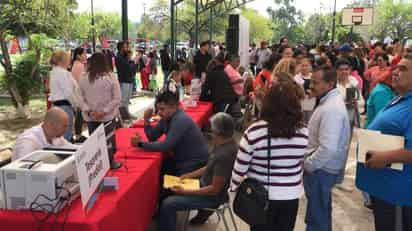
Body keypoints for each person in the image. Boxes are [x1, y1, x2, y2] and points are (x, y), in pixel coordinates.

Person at [230, 82, 308, 231]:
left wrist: (233, 189)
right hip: (291, 196)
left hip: (260, 197)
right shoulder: (304, 131)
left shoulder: (255, 131)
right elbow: (299, 162)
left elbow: (240, 167)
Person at [158, 113, 238, 231]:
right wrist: (188, 176)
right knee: (168, 187)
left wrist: (186, 191)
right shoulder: (225, 144)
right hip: (205, 185)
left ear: (218, 132)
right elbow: (209, 167)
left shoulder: (224, 155)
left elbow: (214, 189)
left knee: (168, 204)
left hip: (212, 197)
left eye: (212, 130)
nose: (211, 132)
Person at [361, 56, 412, 231]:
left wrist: (385, 157)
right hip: (384, 189)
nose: (395, 72)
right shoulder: (399, 98)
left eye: (403, 69)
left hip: (399, 193)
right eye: (396, 67)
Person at [303, 65, 350, 231]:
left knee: (317, 218)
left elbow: (328, 148)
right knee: (319, 213)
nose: (311, 86)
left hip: (321, 170)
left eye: (315, 82)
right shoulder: (328, 102)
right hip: (321, 170)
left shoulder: (332, 108)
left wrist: (309, 165)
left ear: (329, 85)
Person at [130, 91, 209, 175]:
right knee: (158, 170)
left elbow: (166, 146)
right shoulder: (166, 118)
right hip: (182, 159)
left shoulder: (180, 119)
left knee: (161, 173)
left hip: (194, 163)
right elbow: (152, 136)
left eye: (162, 109)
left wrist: (140, 144)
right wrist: (146, 120)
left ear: (173, 107)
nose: (159, 112)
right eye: (158, 109)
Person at [78, 52, 121, 136]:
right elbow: (117, 98)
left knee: (94, 145)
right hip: (107, 117)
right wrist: (104, 111)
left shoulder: (83, 78)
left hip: (91, 117)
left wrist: (89, 111)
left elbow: (79, 98)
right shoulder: (110, 77)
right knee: (108, 143)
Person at [49, 50, 79, 141]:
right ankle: (65, 154)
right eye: (68, 59)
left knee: (60, 134)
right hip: (65, 106)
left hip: (57, 106)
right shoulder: (62, 73)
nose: (69, 61)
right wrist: (75, 104)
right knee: (66, 135)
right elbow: (68, 93)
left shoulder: (54, 72)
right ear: (63, 61)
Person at [335, 58, 363, 129]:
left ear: (350, 70)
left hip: (352, 117)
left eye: (346, 69)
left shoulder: (353, 82)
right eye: (341, 69)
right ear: (336, 70)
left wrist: (356, 103)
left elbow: (361, 99)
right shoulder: (332, 85)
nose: (344, 72)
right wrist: (345, 104)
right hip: (337, 118)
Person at [115, 41, 138, 120]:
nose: (127, 49)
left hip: (128, 80)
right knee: (123, 100)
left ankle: (127, 114)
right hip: (124, 80)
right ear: (121, 48)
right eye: (125, 47)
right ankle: (123, 116)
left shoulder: (124, 57)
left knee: (127, 99)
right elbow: (128, 68)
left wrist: (132, 61)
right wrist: (134, 62)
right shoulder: (119, 57)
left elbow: (133, 69)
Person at [71, 47, 88, 143]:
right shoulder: (79, 66)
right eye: (84, 54)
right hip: (79, 93)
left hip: (77, 92)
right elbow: (81, 81)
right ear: (78, 55)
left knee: (79, 115)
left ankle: (78, 134)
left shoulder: (77, 64)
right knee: (79, 115)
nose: (86, 55)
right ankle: (78, 135)